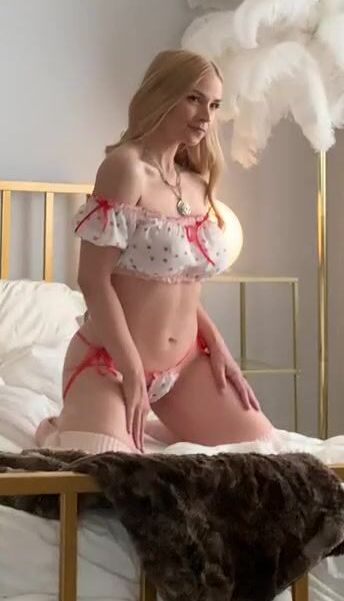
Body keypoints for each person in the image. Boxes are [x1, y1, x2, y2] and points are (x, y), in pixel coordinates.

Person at [35, 49, 277, 455]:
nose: (206, 116)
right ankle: (58, 428)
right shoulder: (124, 169)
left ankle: (163, 428)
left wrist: (217, 345)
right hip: (110, 363)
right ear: (162, 94)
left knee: (262, 452)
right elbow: (93, 281)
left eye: (214, 105)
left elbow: (180, 285)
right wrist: (131, 370)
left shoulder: (196, 182)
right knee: (105, 467)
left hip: (186, 367)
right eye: (194, 98)